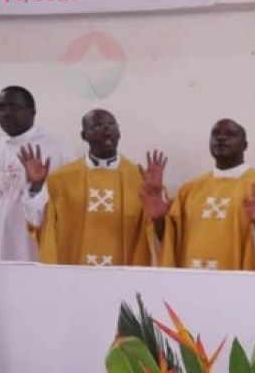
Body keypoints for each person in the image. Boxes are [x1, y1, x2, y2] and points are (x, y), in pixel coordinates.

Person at [28, 108, 165, 266]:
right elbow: (38, 223)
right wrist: (37, 187)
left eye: (111, 125)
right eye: (98, 126)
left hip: (124, 279)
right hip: (74, 274)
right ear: (84, 135)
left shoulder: (141, 179)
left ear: (119, 133)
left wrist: (158, 213)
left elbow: (159, 237)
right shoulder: (60, 180)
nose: (106, 130)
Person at [153, 119, 255, 271]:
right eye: (215, 133)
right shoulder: (188, 191)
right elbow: (170, 245)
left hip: (236, 289)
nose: (221, 138)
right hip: (190, 285)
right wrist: (158, 221)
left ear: (245, 145)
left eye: (230, 134)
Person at [0, 86, 72, 261]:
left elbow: (66, 208)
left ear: (33, 112)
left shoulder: (57, 150)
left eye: (14, 107)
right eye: (1, 107)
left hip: (34, 248)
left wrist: (36, 187)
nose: (6, 113)